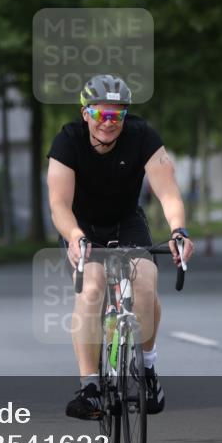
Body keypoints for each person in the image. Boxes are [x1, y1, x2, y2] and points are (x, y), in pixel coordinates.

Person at [46, 74, 195, 420]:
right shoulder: (67, 142)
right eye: (101, 114)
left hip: (126, 222)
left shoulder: (143, 136)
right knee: (92, 288)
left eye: (117, 115)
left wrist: (178, 230)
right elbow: (58, 205)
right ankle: (91, 388)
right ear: (85, 113)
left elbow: (168, 191)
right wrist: (74, 236)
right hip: (82, 228)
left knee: (145, 284)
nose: (109, 123)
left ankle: (146, 368)